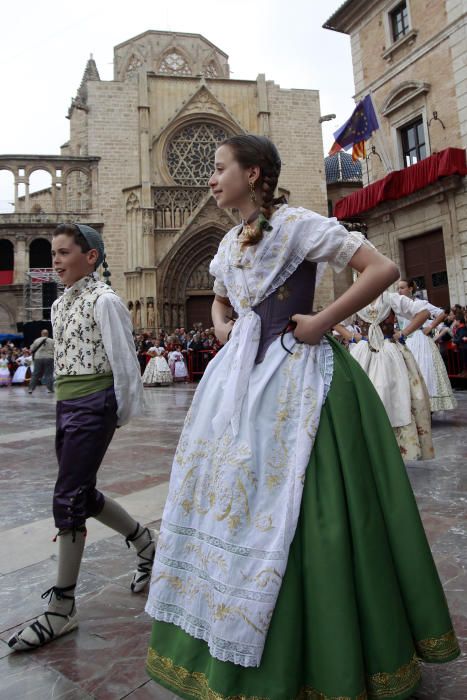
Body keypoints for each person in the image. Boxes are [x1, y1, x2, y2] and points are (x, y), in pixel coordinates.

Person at [144, 135, 459, 699]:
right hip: (240, 383)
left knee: (303, 505)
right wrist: (222, 326)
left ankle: (321, 649)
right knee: (232, 499)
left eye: (220, 169)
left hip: (300, 378)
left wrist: (321, 321)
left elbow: (380, 269)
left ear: (255, 172)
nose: (212, 179)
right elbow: (221, 297)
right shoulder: (227, 243)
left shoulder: (296, 225)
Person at [8, 223, 151, 652]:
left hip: (95, 402)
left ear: (90, 257)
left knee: (67, 496)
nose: (55, 260)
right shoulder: (60, 303)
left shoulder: (104, 299)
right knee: (81, 493)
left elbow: (124, 357)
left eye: (64, 252)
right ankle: (146, 544)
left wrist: (119, 412)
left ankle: (62, 607)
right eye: (52, 253)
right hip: (67, 403)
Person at [343, 291, 434, 461]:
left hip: (389, 352)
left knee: (392, 394)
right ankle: (370, 447)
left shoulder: (390, 298)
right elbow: (335, 321)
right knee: (364, 396)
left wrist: (403, 333)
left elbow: (424, 312)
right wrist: (352, 336)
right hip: (364, 351)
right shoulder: (356, 297)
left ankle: (392, 448)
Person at [397, 279, 457, 412]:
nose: (399, 291)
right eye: (398, 288)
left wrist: (430, 326)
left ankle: (427, 407)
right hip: (405, 340)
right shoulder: (398, 305)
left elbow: (443, 313)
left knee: (424, 369)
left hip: (419, 340)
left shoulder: (420, 303)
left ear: (410, 288)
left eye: (402, 288)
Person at [28, 329, 55, 393]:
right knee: (48, 374)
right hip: (49, 357)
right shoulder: (52, 341)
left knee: (35, 374)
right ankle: (50, 389)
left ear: (41, 333)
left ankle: (31, 389)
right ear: (48, 334)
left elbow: (31, 349)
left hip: (38, 358)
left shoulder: (37, 340)